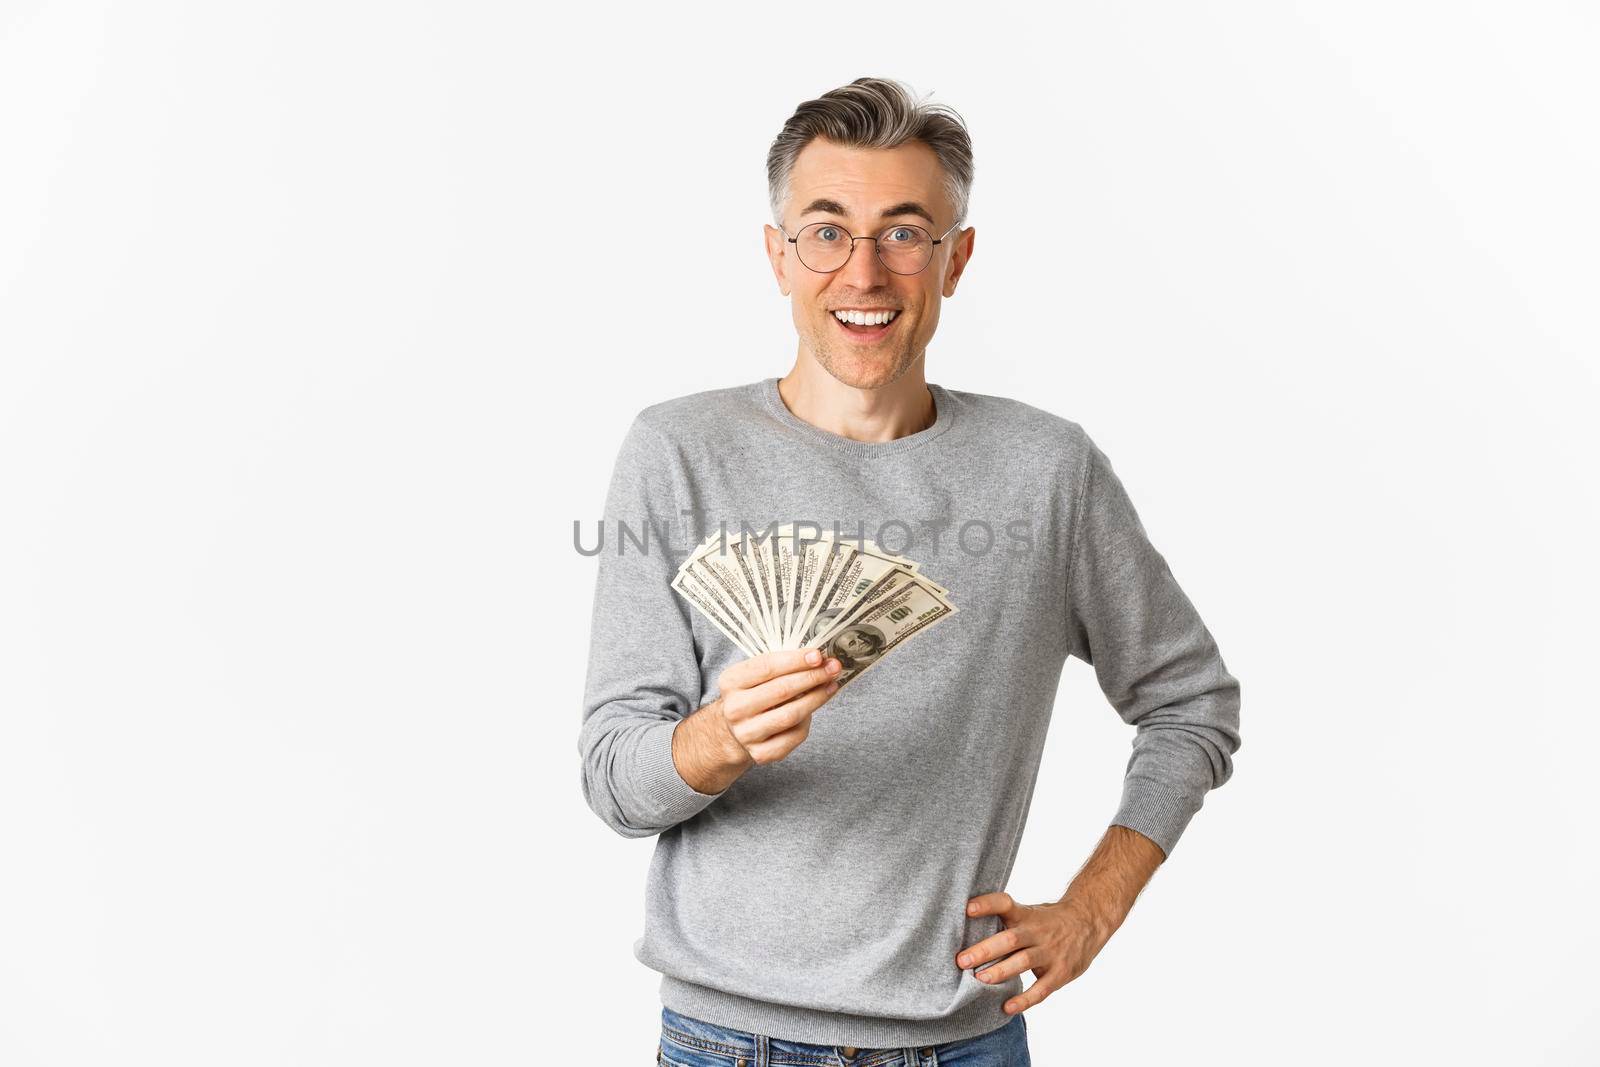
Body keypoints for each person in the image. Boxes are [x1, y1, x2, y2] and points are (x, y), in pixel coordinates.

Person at [577, 76, 1243, 1064]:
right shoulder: (678, 449)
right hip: (729, 1037)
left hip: (964, 1040)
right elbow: (613, 778)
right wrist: (717, 737)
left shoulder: (1044, 470)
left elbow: (1190, 703)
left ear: (954, 258)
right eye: (826, 230)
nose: (864, 271)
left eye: (902, 232)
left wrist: (1092, 909)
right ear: (778, 254)